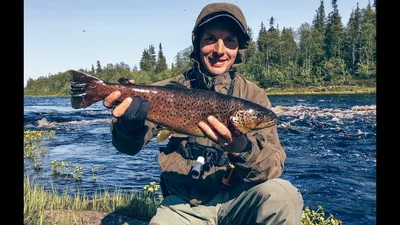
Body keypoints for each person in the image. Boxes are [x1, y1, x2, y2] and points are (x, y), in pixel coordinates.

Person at [103, 2, 303, 225]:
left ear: (239, 50)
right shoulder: (166, 91)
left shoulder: (253, 96)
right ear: (197, 43)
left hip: (238, 200)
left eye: (230, 41)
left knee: (284, 196)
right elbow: (127, 148)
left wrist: (242, 149)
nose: (220, 50)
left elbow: (273, 167)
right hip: (185, 204)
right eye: (210, 39)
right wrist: (129, 127)